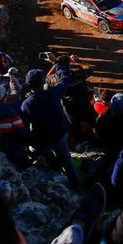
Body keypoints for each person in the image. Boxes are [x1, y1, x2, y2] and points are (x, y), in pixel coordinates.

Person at [20, 59, 80, 189]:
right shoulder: (53, 93)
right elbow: (65, 78)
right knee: (67, 161)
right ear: (43, 81)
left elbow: (24, 125)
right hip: (59, 134)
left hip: (41, 140)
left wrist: (30, 140)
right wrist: (58, 63)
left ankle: (30, 177)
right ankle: (76, 186)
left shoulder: (27, 104)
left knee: (33, 158)